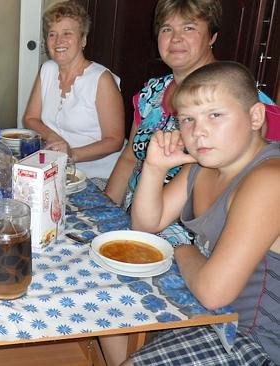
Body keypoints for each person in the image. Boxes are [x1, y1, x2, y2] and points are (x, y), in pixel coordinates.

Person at [126, 61, 280, 364]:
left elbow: (214, 291)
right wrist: (155, 168)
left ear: (254, 116)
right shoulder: (202, 166)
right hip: (219, 319)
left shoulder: (269, 179)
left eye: (215, 115)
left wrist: (181, 250)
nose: (199, 132)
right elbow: (146, 225)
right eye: (187, 120)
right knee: (122, 306)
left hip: (260, 342)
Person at [105, 0, 279, 210]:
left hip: (192, 230)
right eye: (167, 29)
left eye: (188, 28)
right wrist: (105, 211)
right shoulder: (151, 93)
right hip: (133, 215)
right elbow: (129, 158)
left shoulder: (243, 100)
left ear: (212, 36)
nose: (176, 38)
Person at [23, 0, 125, 180]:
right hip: (57, 168)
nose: (58, 41)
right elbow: (30, 118)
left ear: (83, 39)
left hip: (98, 176)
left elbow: (115, 141)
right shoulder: (47, 70)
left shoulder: (101, 79)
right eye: (52, 34)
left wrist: (72, 154)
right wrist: (53, 137)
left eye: (67, 33)